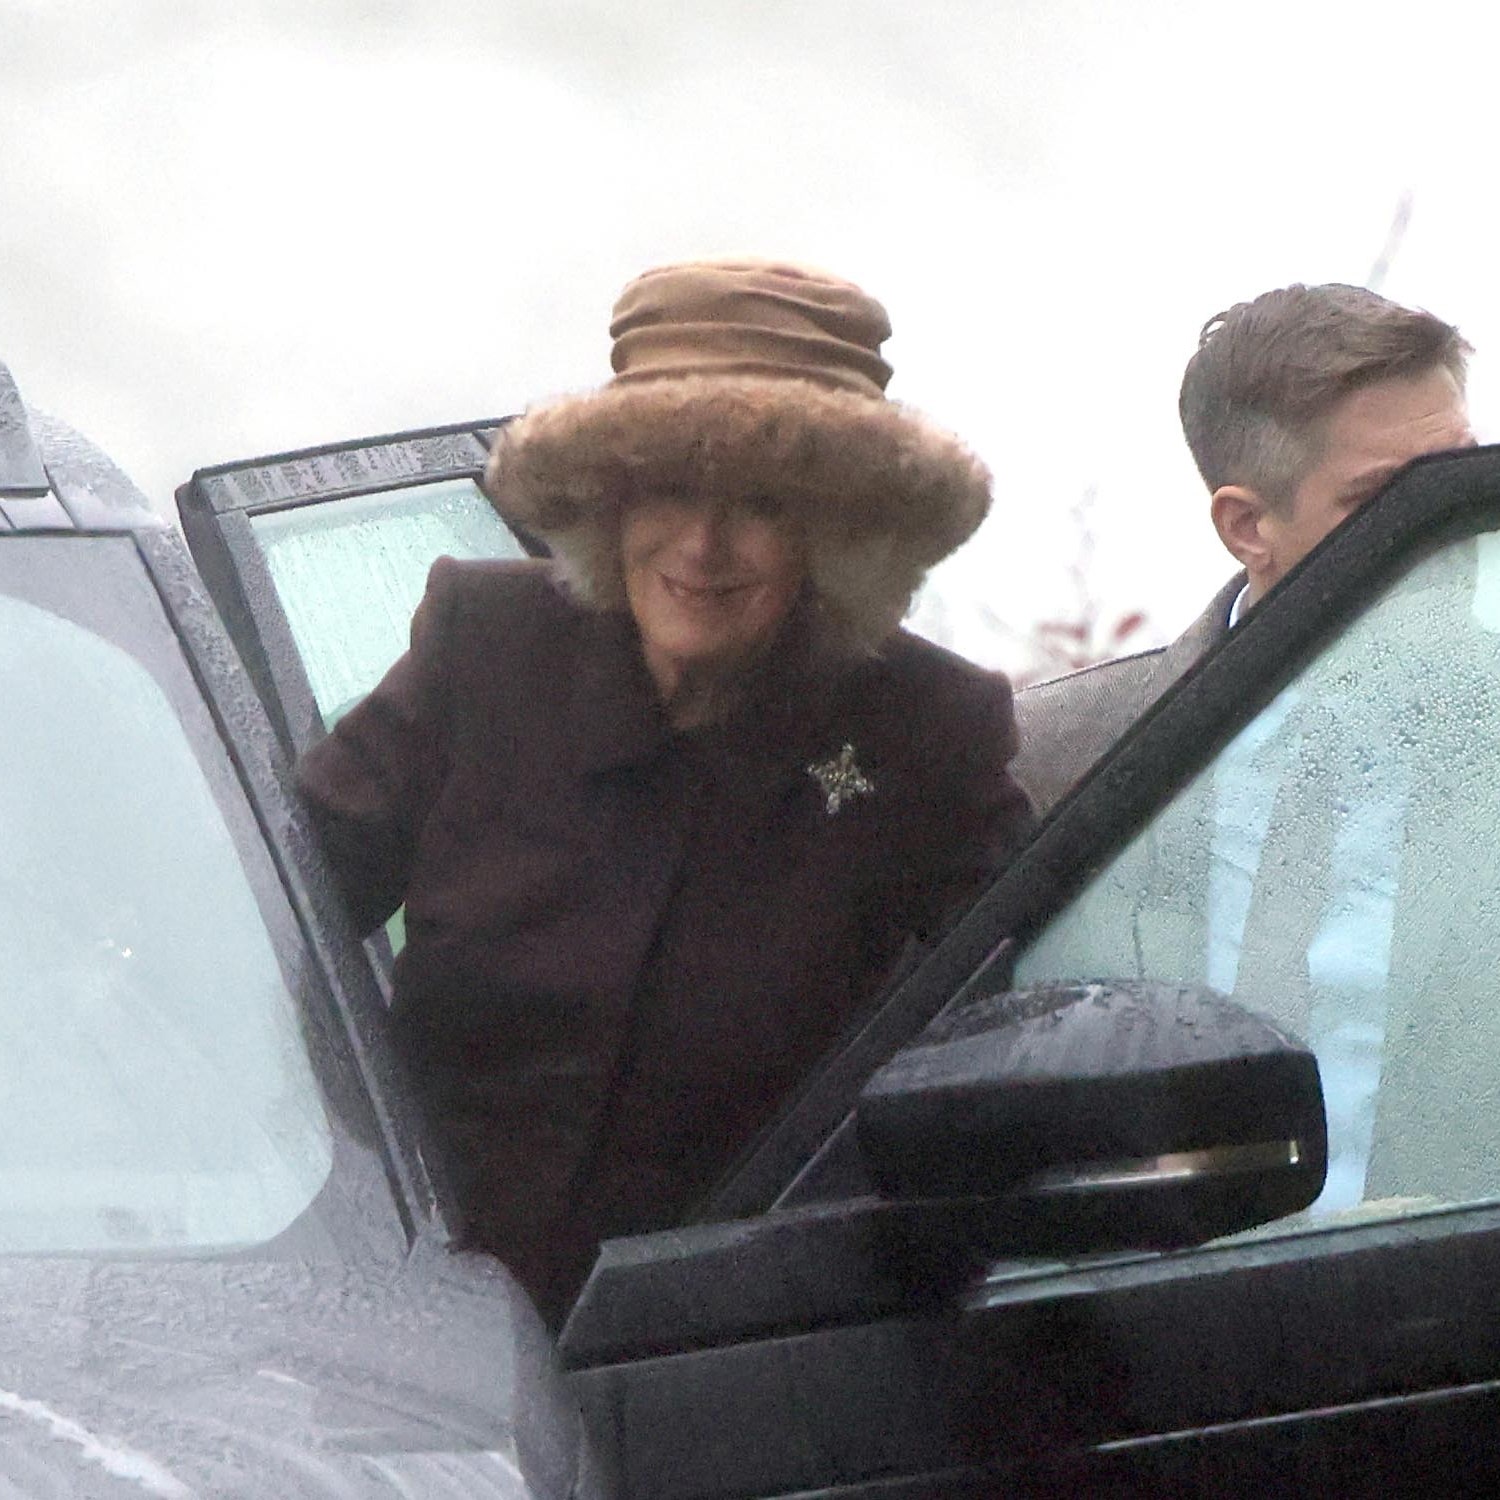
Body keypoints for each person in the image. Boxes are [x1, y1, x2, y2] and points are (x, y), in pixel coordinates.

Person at [295, 257, 1034, 1321]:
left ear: (837, 535)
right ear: (608, 498)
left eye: (763, 504)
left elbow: (1022, 1025)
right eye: (672, 488)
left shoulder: (924, 733)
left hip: (732, 1351)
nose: (702, 544)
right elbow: (278, 913)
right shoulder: (487, 643)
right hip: (414, 1316)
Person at [1011, 283, 1475, 813]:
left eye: (1463, 475)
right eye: (1385, 498)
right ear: (1247, 528)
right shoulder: (1048, 760)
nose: (1449, 523)